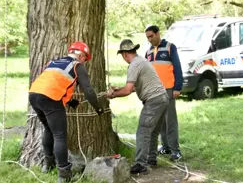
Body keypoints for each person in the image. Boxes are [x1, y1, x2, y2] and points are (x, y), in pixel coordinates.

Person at [29, 41, 104, 182]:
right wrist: (98, 108)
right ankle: (64, 175)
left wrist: (70, 101)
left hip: (34, 95)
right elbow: (88, 90)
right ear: (81, 55)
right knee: (60, 136)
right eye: (85, 58)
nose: (84, 62)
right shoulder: (77, 65)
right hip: (51, 99)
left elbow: (54, 82)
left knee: (48, 129)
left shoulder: (55, 62)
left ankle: (48, 165)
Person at [106, 39, 168, 175]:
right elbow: (134, 87)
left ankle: (141, 164)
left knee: (143, 132)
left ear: (124, 54)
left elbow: (128, 90)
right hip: (163, 98)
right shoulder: (142, 61)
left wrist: (113, 94)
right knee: (152, 132)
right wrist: (118, 89)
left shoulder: (134, 64)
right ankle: (151, 160)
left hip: (154, 100)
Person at [144, 25, 184, 161]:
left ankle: (175, 151)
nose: (150, 39)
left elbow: (178, 68)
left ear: (158, 34)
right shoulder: (148, 52)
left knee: (170, 120)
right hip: (154, 92)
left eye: (151, 36)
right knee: (159, 121)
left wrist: (177, 87)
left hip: (168, 89)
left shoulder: (169, 48)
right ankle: (165, 146)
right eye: (148, 37)